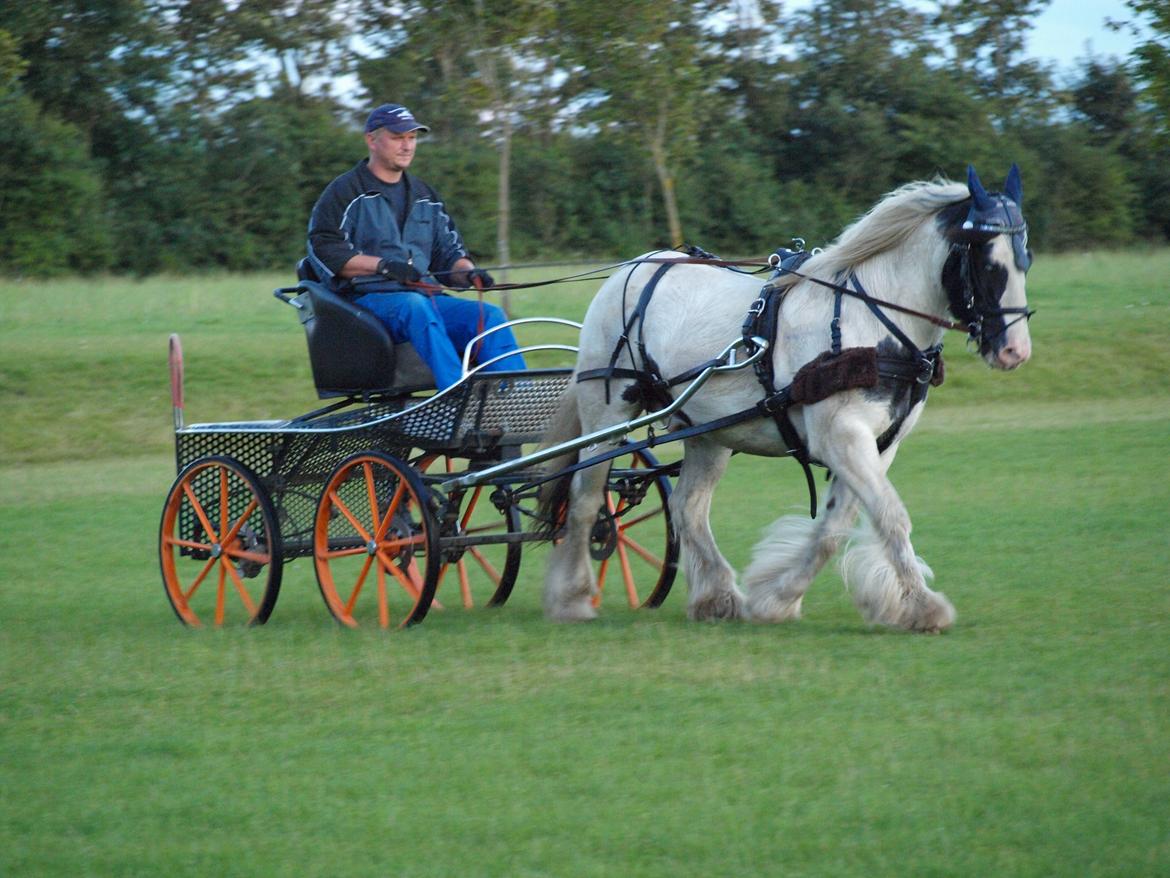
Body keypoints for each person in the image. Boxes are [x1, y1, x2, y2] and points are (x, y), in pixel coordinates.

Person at [306, 102, 526, 389]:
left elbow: (448, 253)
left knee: (490, 316)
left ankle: (519, 400)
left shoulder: (426, 196)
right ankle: (456, 395)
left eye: (412, 138)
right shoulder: (344, 192)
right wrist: (383, 266)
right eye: (398, 137)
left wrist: (469, 272)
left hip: (424, 298)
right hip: (365, 305)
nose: (407, 146)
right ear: (371, 139)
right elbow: (325, 250)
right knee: (415, 306)